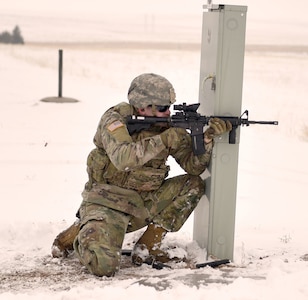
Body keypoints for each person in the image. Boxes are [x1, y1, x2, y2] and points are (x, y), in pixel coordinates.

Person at [51, 73, 231, 277]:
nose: (168, 111)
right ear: (143, 105)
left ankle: (148, 247)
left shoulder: (167, 126)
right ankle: (79, 231)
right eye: (163, 107)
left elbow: (193, 167)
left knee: (193, 185)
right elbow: (123, 159)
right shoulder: (115, 120)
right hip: (107, 203)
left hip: (142, 202)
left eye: (169, 106)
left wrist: (205, 139)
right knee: (104, 267)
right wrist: (163, 140)